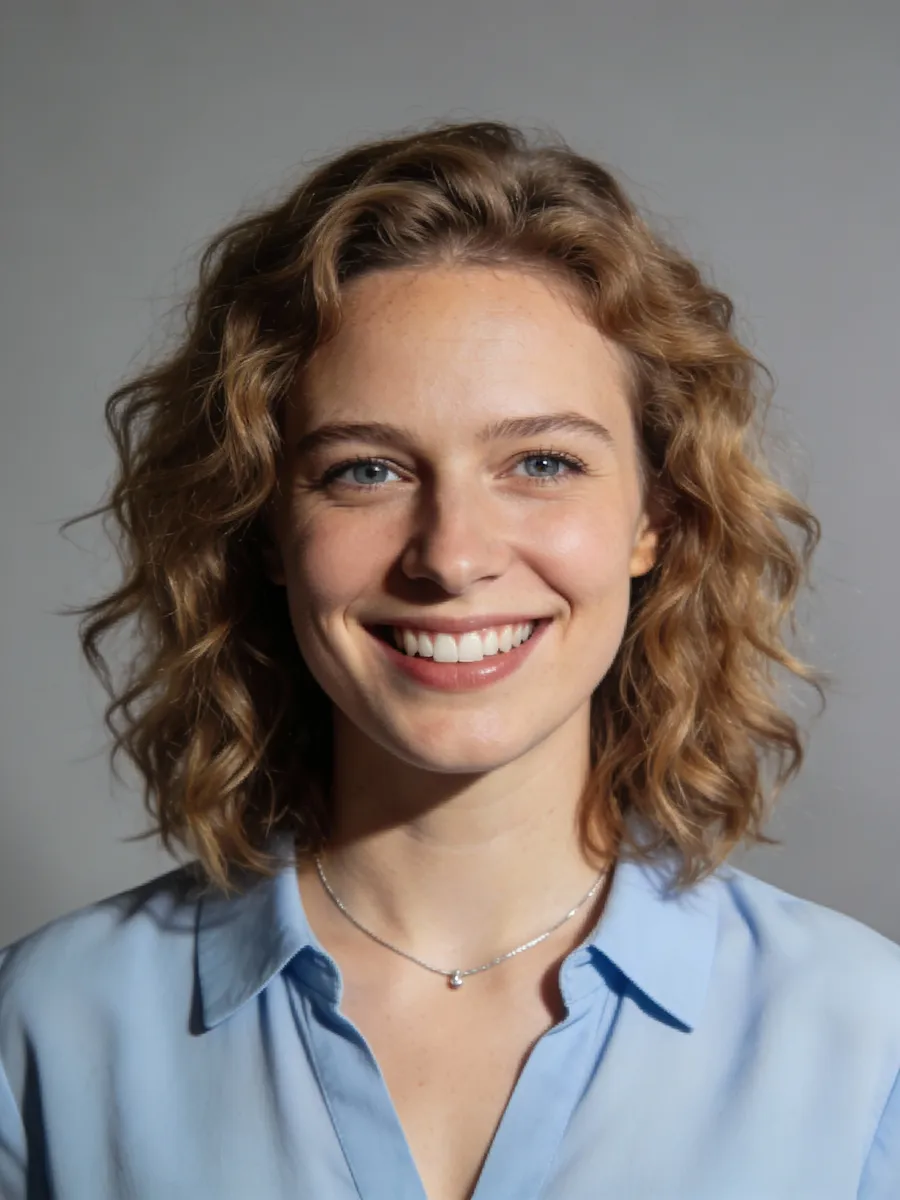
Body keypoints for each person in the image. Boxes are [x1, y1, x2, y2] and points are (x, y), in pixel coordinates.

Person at [1, 118, 898, 1200]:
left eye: (542, 461)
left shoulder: (866, 1048)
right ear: (268, 526)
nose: (453, 555)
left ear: (654, 516)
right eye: (366, 471)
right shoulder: (41, 1033)